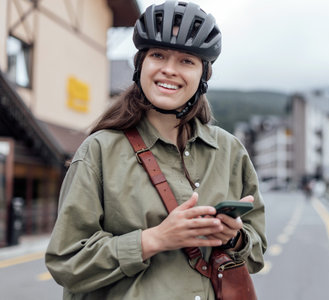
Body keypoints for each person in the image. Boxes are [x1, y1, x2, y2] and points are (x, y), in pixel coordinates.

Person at [45, 1, 267, 299]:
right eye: (158, 55)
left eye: (186, 61)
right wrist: (155, 239)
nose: (169, 70)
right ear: (140, 64)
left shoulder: (230, 150)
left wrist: (235, 238)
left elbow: (256, 250)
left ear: (203, 76)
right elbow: (66, 262)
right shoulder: (99, 151)